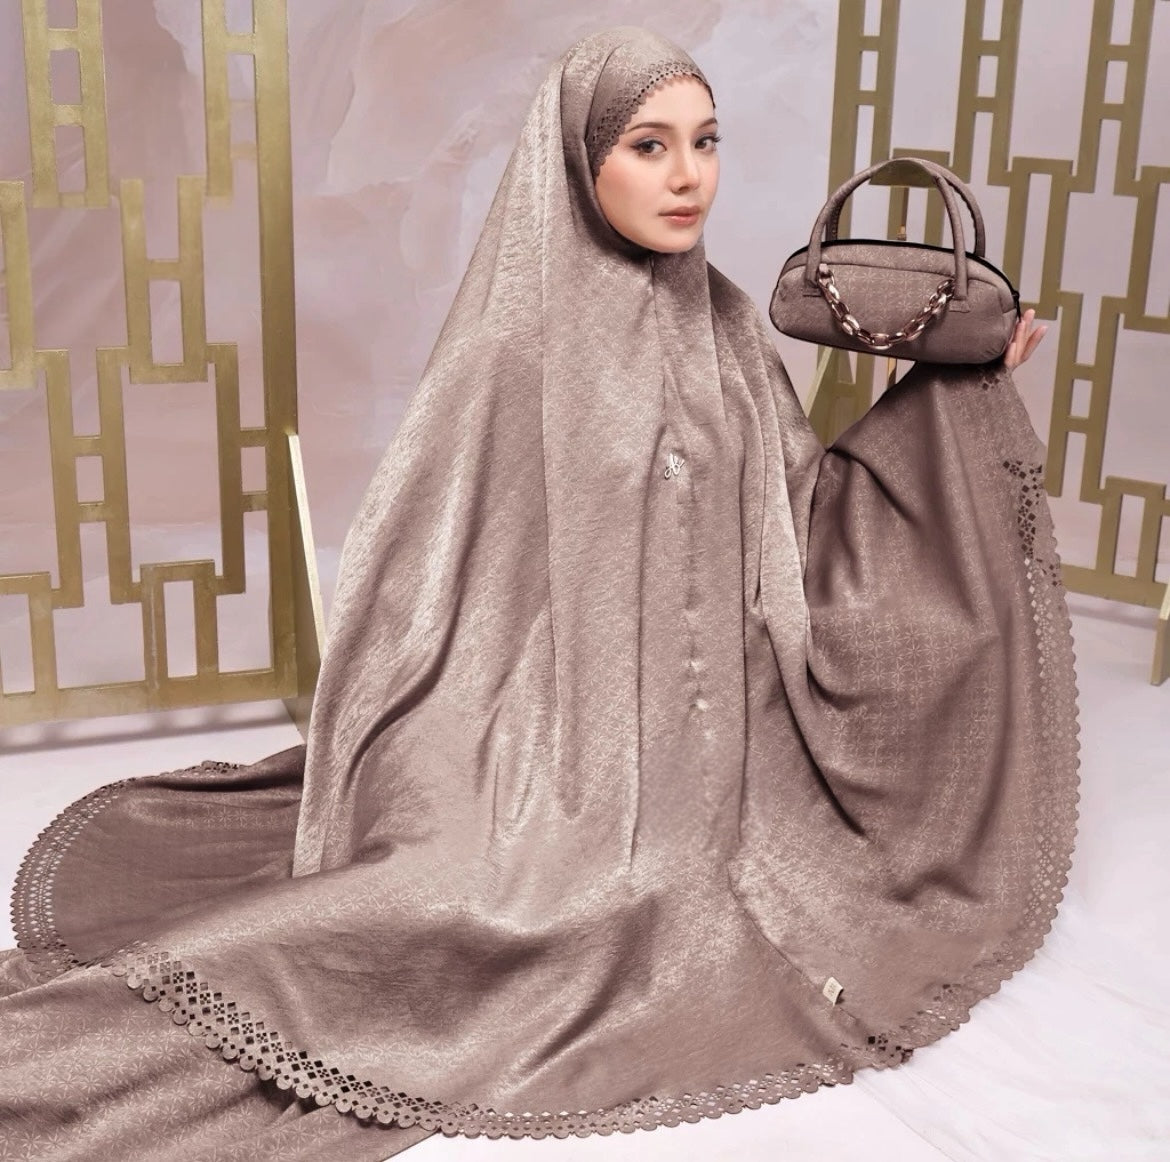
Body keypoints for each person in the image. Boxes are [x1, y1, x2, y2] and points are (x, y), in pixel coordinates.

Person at [0, 26, 1076, 1162]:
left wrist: (949, 389)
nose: (687, 176)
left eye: (705, 142)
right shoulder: (514, 348)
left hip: (719, 745)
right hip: (519, 751)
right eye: (648, 146)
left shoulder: (723, 325)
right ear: (578, 158)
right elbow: (422, 588)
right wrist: (492, 751)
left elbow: (803, 524)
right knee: (489, 901)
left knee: (666, 889)